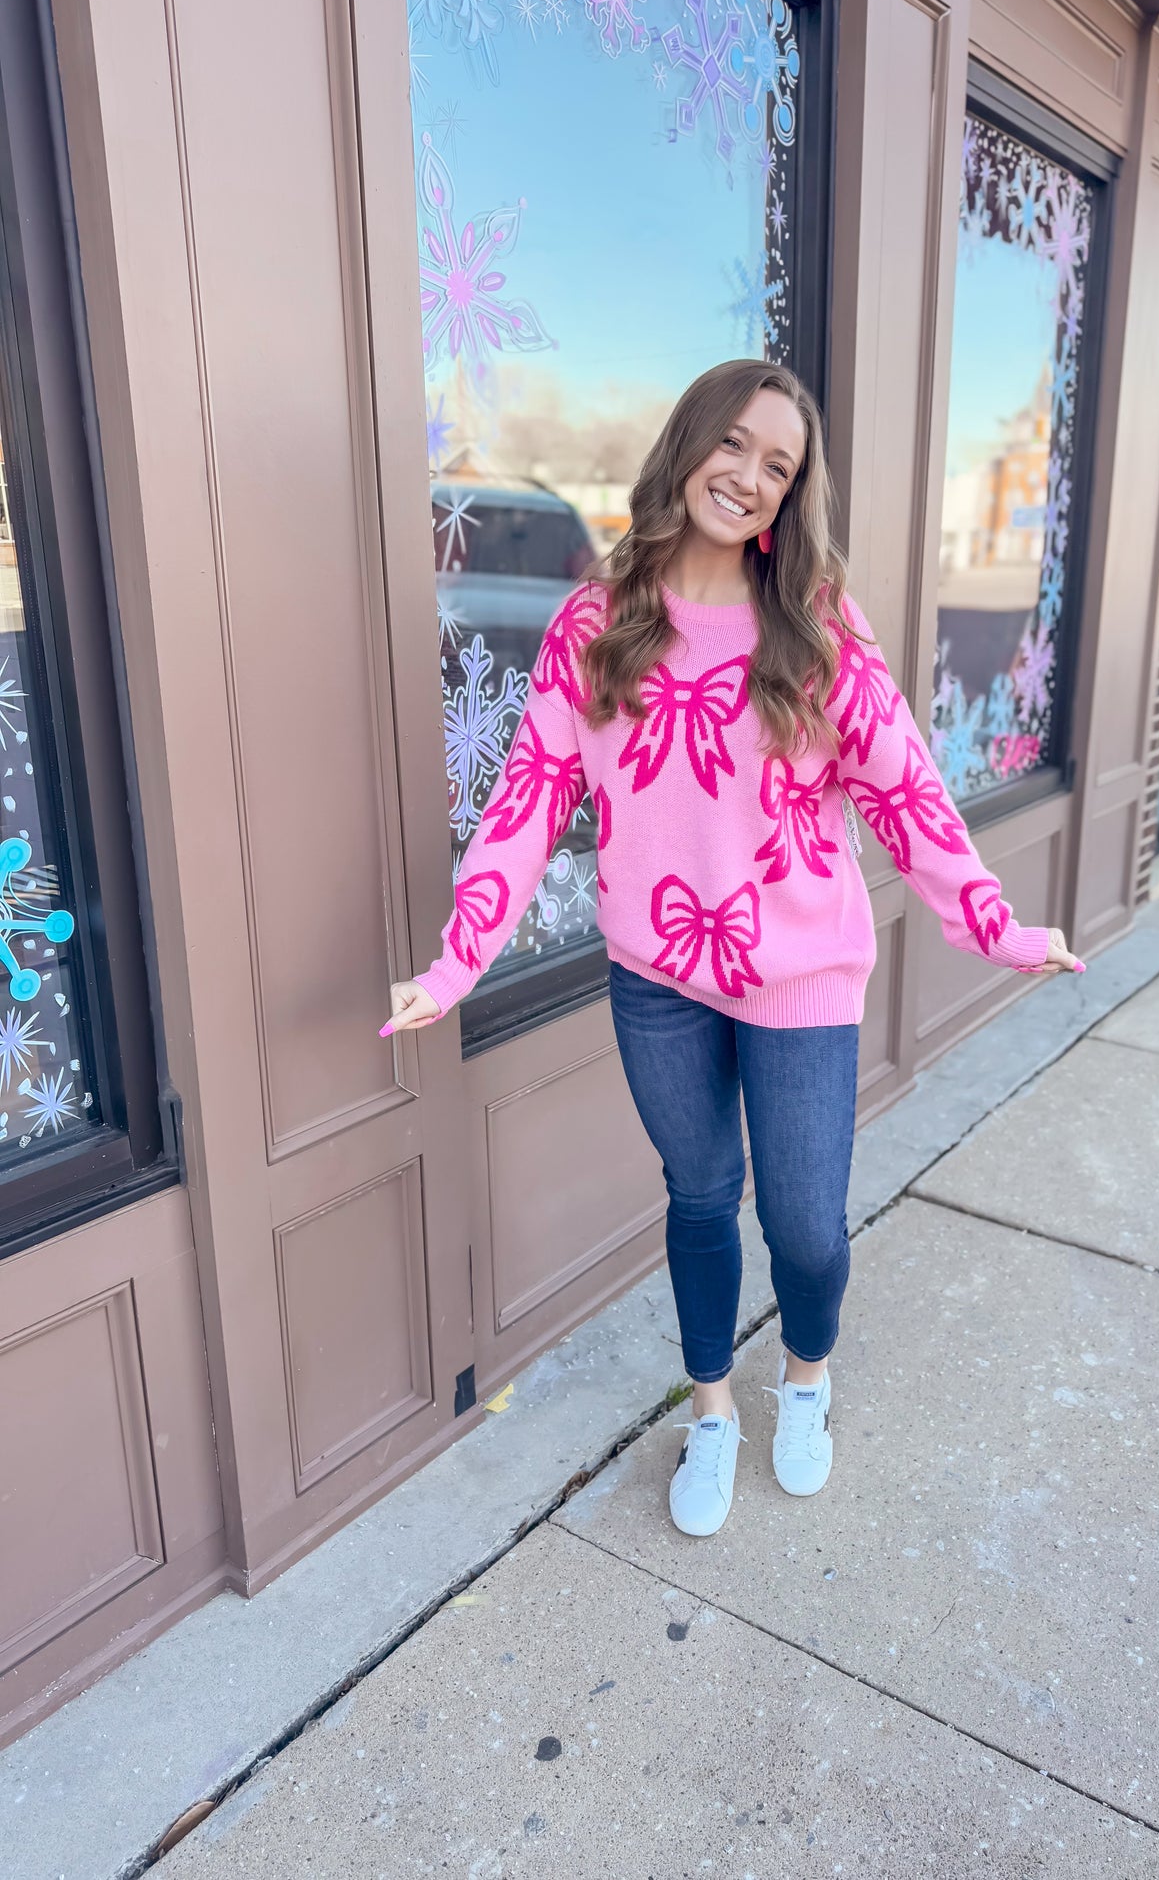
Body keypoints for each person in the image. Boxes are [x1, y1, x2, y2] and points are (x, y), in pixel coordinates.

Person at [383, 358, 1082, 1539]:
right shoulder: (598, 621)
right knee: (701, 1197)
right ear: (688, 443)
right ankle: (712, 1410)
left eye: (779, 465)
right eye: (736, 446)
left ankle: (805, 1379)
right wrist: (456, 961)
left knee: (805, 1225)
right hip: (656, 980)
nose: (750, 477)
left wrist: (992, 923)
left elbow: (903, 789)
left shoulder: (812, 625)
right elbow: (527, 797)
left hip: (801, 972)